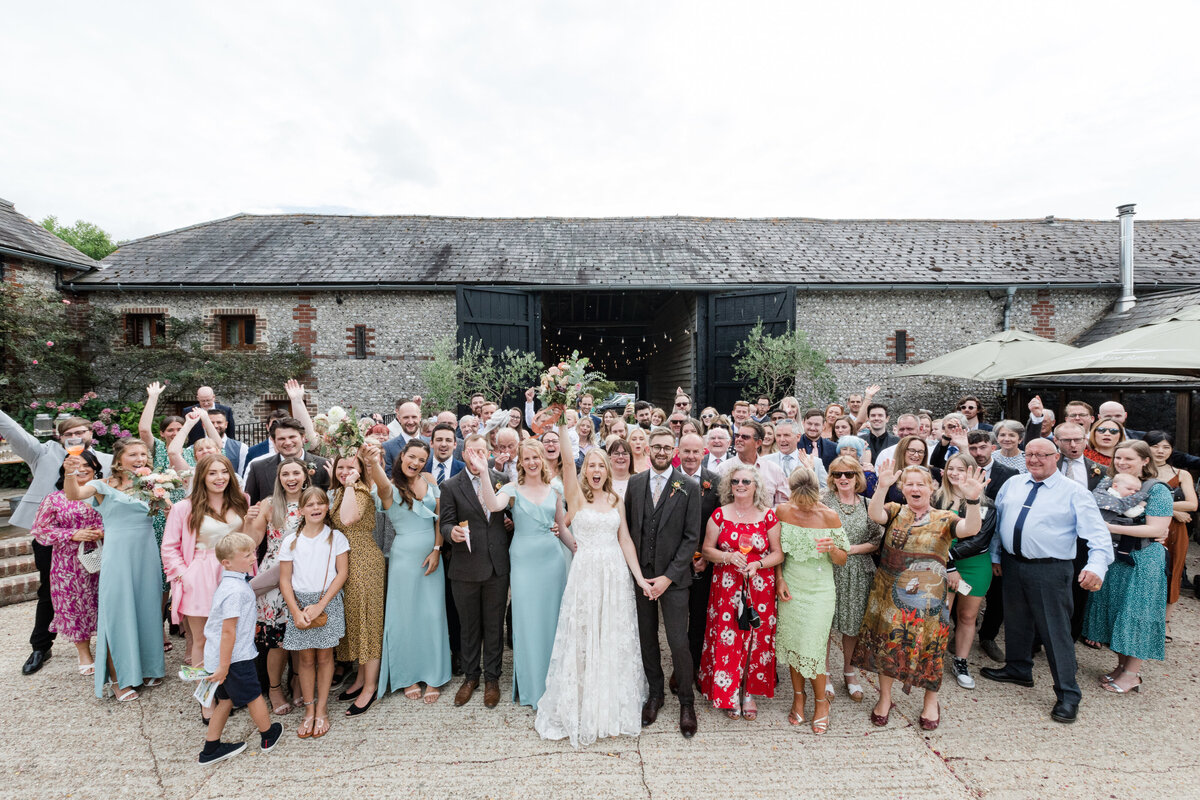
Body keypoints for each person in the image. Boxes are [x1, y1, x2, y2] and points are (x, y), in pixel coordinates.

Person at [980, 438, 1113, 724]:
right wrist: (995, 556)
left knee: (1055, 631)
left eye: (1042, 454)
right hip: (1013, 564)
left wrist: (1097, 567)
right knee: (1016, 621)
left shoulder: (1074, 492)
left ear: (1056, 457)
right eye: (1030, 454)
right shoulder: (1013, 484)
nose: (1035, 459)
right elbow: (998, 521)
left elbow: (1098, 536)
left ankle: (1068, 693)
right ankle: (1018, 669)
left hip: (1050, 569)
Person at [535, 426, 652, 747]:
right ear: (585, 470)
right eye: (592, 465)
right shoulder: (575, 495)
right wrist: (561, 422)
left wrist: (640, 578)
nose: (597, 470)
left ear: (609, 470)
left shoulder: (616, 499)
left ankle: (610, 704)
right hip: (585, 572)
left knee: (612, 634)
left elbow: (625, 539)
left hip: (614, 572)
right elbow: (568, 459)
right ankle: (584, 699)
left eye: (602, 465)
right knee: (585, 632)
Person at [854, 458, 984, 731]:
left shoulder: (945, 518)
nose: (915, 488)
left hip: (927, 600)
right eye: (909, 484)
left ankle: (930, 702)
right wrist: (882, 487)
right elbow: (875, 515)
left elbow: (971, 529)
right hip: (888, 595)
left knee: (929, 649)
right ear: (902, 489)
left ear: (932, 487)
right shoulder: (895, 510)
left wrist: (972, 501)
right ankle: (885, 698)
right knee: (888, 647)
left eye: (920, 484)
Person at [0, 410, 112, 675]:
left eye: (79, 432)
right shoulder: (42, 454)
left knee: (102, 589)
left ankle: (107, 642)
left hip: (99, 539)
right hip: (57, 541)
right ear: (60, 438)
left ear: (91, 434)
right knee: (51, 591)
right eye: (68, 434)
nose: (74, 437)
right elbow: (14, 431)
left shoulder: (107, 460)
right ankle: (41, 646)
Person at [472, 439, 574, 709]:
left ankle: (556, 684)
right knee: (527, 621)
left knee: (553, 620)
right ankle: (531, 686)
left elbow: (561, 527)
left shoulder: (556, 488)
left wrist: (580, 549)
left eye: (535, 457)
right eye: (526, 458)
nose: (531, 462)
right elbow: (493, 506)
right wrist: (484, 471)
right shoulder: (512, 488)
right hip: (524, 561)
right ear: (521, 462)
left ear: (542, 460)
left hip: (552, 560)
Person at [63, 439, 166, 701]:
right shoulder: (102, 486)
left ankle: (146, 668)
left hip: (147, 553)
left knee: (146, 608)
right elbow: (74, 494)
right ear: (119, 461)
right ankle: (119, 678)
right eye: (133, 454)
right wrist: (70, 473)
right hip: (119, 555)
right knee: (117, 613)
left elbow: (173, 512)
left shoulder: (153, 486)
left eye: (144, 453)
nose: (140, 457)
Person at [626, 426, 703, 738]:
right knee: (647, 640)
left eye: (665, 447)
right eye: (654, 446)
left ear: (673, 450)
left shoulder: (688, 486)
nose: (659, 451)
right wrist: (641, 578)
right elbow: (631, 531)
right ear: (647, 449)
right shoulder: (635, 483)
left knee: (678, 642)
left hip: (674, 581)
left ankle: (686, 700)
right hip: (642, 579)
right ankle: (655, 694)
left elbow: (690, 538)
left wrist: (668, 578)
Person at [1082, 441, 1172, 695]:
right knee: (1117, 610)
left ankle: (1132, 674)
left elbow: (1156, 529)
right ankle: (1121, 667)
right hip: (1116, 557)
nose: (1121, 463)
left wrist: (1109, 528)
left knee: (1137, 613)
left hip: (1143, 560)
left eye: (1129, 459)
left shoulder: (1157, 490)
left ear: (1145, 461)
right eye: (1118, 458)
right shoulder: (1108, 483)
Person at [162, 454, 249, 703]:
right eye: (212, 473)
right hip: (199, 575)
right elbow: (169, 547)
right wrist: (184, 575)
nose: (219, 477)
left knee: (234, 634)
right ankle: (207, 699)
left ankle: (232, 692)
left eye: (224, 472)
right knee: (202, 639)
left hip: (234, 574)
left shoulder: (241, 501)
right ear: (201, 476)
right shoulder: (184, 508)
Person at [698, 464, 781, 721]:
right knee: (728, 637)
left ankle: (749, 692)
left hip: (759, 586)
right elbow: (707, 550)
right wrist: (727, 556)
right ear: (729, 486)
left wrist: (758, 563)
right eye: (735, 481)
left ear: (756, 486)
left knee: (756, 638)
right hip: (726, 585)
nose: (741, 485)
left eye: (746, 481)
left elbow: (777, 553)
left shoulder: (768, 516)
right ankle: (728, 691)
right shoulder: (720, 515)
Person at [196, 532, 284, 764]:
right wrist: (224, 666)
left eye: (252, 552)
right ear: (227, 562)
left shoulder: (230, 584)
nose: (253, 558)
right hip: (234, 659)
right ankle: (268, 734)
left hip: (222, 657)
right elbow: (228, 631)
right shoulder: (234, 591)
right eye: (246, 555)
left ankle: (211, 748)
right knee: (254, 696)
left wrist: (214, 660)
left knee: (225, 701)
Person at [377, 439, 452, 705]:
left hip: (431, 554)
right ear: (401, 457)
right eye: (412, 457)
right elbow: (380, 480)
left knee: (432, 614)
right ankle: (407, 675)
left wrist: (436, 550)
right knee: (405, 615)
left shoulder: (431, 482)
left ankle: (434, 673)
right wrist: (371, 460)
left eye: (421, 459)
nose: (416, 463)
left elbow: (440, 518)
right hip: (404, 557)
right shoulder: (389, 486)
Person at [775, 467, 848, 734]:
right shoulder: (782, 512)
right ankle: (798, 698)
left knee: (814, 649)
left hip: (819, 591)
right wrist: (779, 579)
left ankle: (821, 704)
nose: (803, 508)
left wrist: (832, 548)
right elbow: (778, 552)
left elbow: (843, 559)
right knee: (795, 645)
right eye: (799, 502)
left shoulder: (830, 516)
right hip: (791, 587)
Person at [441, 434, 511, 708]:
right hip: (465, 568)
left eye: (482, 452)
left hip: (496, 566)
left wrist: (511, 525)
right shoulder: (450, 486)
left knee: (494, 625)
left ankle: (492, 678)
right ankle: (471, 677)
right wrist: (451, 533)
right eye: (472, 452)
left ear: (488, 453)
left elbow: (514, 514)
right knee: (469, 627)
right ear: (464, 454)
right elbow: (444, 523)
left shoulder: (501, 480)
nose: (477, 457)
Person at [279, 487, 350, 740]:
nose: (316, 508)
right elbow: (285, 580)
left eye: (320, 503)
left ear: (327, 507)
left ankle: (322, 709)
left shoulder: (336, 538)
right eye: (310, 505)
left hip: (326, 602)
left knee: (325, 658)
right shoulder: (291, 540)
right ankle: (309, 710)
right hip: (299, 603)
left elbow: (341, 573)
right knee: (305, 660)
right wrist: (296, 611)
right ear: (301, 510)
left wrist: (321, 605)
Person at [243, 456, 310, 715]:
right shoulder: (270, 505)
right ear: (279, 479)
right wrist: (249, 521)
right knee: (277, 640)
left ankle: (296, 680)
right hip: (274, 574)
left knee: (300, 634)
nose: (291, 479)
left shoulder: (313, 500)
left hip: (305, 575)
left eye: (296, 473)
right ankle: (273, 687)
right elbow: (252, 540)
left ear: (305, 475)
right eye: (285, 474)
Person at [30, 452, 105, 675]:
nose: (82, 469)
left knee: (104, 600)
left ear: (95, 468)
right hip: (69, 563)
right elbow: (40, 530)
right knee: (75, 604)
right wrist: (73, 534)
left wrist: (104, 531)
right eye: (76, 465)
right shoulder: (54, 499)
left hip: (106, 554)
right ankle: (84, 652)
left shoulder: (104, 493)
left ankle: (108, 647)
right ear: (65, 470)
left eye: (87, 465)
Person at [821, 456, 882, 703]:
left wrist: (850, 550)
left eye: (848, 474)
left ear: (857, 477)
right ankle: (823, 673)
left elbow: (877, 540)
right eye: (837, 474)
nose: (843, 478)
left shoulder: (869, 504)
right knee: (824, 625)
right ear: (831, 478)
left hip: (858, 570)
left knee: (852, 626)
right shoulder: (823, 503)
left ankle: (849, 672)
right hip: (828, 569)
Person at [935, 454, 997, 691]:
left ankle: (960, 661)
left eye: (961, 469)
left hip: (974, 564)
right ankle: (934, 658)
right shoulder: (936, 498)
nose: (954, 473)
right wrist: (948, 567)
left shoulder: (987, 504)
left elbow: (979, 541)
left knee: (968, 616)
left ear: (972, 472)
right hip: (940, 562)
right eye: (951, 468)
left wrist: (951, 562)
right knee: (941, 613)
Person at [676, 433, 721, 685]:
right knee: (677, 618)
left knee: (699, 617)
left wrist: (705, 555)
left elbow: (719, 523)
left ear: (704, 452)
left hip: (705, 563)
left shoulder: (715, 483)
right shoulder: (670, 480)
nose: (691, 456)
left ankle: (694, 665)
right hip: (676, 562)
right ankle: (679, 667)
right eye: (686, 451)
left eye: (695, 452)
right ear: (678, 452)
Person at [1144, 431, 1197, 637]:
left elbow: (1192, 504)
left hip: (1176, 530)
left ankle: (1164, 622)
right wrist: (1174, 510)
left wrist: (1158, 505)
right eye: (1155, 446)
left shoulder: (1182, 474)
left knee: (1173, 571)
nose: (1160, 451)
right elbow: (1135, 499)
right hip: (1148, 525)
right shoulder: (1140, 470)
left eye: (1166, 447)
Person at [244, 418, 330, 505]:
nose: (288, 442)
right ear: (274, 441)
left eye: (292, 437)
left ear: (303, 437)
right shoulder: (258, 468)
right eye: (282, 439)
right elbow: (249, 505)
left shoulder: (325, 466)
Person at [718, 420, 788, 505]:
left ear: (758, 443)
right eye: (737, 436)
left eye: (745, 437)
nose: (739, 439)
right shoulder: (723, 469)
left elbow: (783, 505)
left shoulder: (774, 470)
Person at [884, 436, 931, 502]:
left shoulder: (933, 474)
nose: (916, 455)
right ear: (902, 451)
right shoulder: (889, 476)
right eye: (912, 450)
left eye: (920, 452)